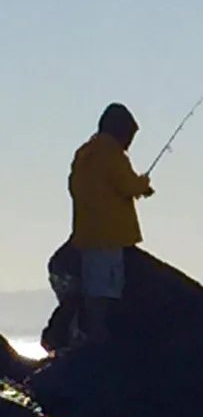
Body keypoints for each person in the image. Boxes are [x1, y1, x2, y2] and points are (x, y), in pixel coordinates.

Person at [68, 103, 154, 344]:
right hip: (109, 236)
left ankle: (93, 336)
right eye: (129, 137)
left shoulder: (85, 154)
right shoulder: (112, 154)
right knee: (106, 290)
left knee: (93, 289)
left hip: (88, 234)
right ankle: (100, 339)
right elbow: (127, 185)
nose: (129, 144)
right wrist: (143, 184)